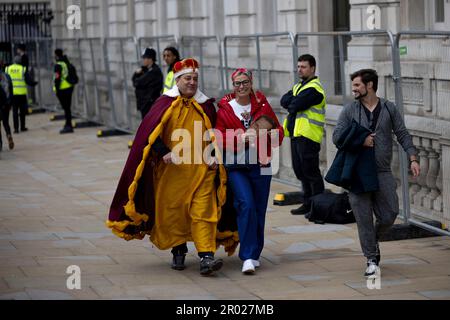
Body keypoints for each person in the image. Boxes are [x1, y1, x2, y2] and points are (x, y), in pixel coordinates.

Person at [107, 58, 237, 276]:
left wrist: (215, 155)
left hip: (202, 169)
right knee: (175, 213)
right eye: (188, 78)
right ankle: (178, 249)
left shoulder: (205, 105)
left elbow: (215, 134)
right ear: (178, 80)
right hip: (172, 172)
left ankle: (206, 256)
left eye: (195, 79)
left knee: (203, 212)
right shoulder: (164, 103)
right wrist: (164, 151)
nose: (192, 82)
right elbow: (149, 133)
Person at [332, 69, 420, 278]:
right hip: (357, 173)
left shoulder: (389, 108)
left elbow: (402, 133)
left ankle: (372, 241)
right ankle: (372, 259)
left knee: (390, 214)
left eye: (356, 85)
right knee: (363, 218)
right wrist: (360, 141)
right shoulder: (349, 110)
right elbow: (337, 137)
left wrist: (413, 157)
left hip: (382, 171)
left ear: (369, 85)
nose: (353, 89)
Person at [216, 68, 284, 274]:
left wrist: (264, 134)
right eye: (237, 83)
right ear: (233, 85)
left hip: (261, 164)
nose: (241, 86)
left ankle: (255, 254)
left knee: (259, 209)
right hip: (236, 166)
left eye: (245, 82)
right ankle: (246, 256)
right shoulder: (225, 108)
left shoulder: (262, 104)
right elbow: (217, 136)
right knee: (246, 204)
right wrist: (240, 138)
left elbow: (279, 132)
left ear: (251, 82)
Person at [280, 54, 326, 216]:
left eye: (303, 67)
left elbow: (295, 105)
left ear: (312, 68)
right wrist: (293, 102)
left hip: (308, 136)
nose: (299, 69)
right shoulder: (299, 86)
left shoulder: (314, 89)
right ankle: (307, 203)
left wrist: (294, 102)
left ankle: (318, 207)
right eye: (298, 66)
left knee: (311, 172)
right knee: (300, 171)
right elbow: (284, 101)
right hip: (296, 135)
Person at [5, 55, 37, 133]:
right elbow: (28, 81)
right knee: (22, 111)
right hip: (22, 94)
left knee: (14, 111)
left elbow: (6, 80)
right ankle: (22, 127)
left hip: (13, 94)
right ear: (20, 61)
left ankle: (16, 129)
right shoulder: (22, 69)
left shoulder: (8, 69)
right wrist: (34, 83)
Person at [132, 47, 163, 119]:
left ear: (150, 59)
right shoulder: (146, 70)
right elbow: (135, 82)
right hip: (145, 104)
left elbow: (137, 82)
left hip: (149, 105)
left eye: (145, 58)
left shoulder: (154, 72)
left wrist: (136, 74)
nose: (143, 60)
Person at [53, 49, 75, 134]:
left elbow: (57, 77)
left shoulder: (58, 65)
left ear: (56, 55)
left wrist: (57, 89)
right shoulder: (66, 62)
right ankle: (68, 124)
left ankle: (68, 126)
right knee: (67, 108)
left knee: (66, 108)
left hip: (62, 89)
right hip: (69, 87)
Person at [0, 61, 14, 151]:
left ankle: (0, 144)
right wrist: (10, 102)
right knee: (5, 122)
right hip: (6, 103)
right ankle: (9, 135)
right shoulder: (7, 76)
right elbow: (11, 89)